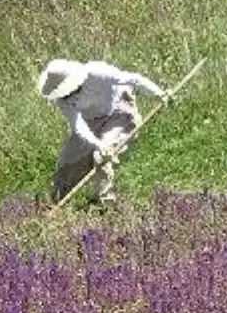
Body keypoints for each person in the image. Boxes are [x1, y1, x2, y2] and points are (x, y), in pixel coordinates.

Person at [38, 58, 170, 205]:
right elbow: (78, 126)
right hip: (91, 122)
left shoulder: (97, 72)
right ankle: (56, 202)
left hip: (118, 111)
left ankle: (103, 204)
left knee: (101, 157)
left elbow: (133, 79)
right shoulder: (62, 100)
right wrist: (98, 143)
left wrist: (159, 93)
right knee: (67, 162)